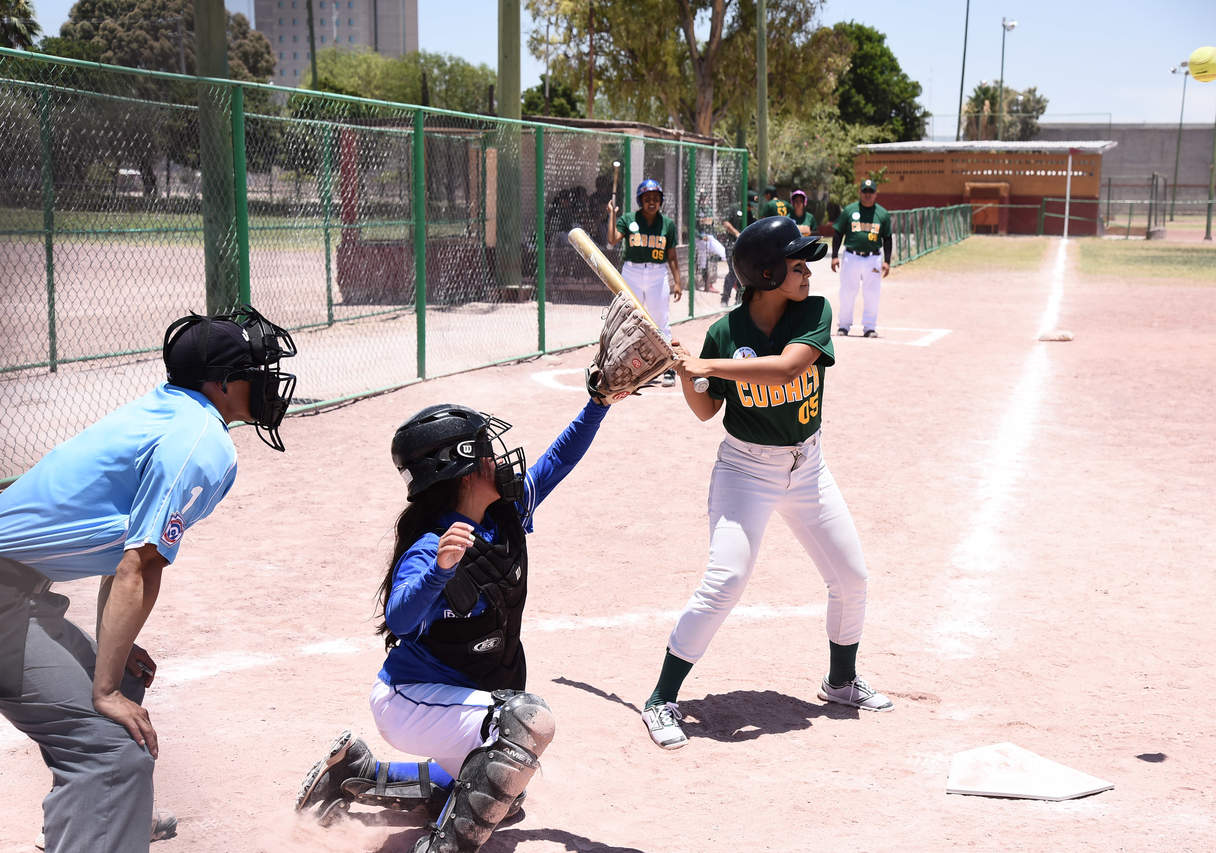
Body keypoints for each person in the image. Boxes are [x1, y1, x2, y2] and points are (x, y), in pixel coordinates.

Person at [0, 306, 297, 853]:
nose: (269, 382)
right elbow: (139, 565)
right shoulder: (200, 441)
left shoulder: (167, 411)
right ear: (223, 383)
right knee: (114, 747)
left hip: (18, 591)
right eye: (258, 371)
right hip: (5, 599)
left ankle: (99, 818)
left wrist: (116, 663)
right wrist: (103, 689)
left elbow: (124, 557)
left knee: (124, 678)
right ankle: (99, 812)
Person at [295, 396, 611, 852]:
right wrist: (441, 569)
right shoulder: (430, 546)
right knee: (525, 724)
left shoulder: (506, 515)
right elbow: (400, 620)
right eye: (487, 451)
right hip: (410, 701)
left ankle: (356, 774)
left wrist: (599, 402)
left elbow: (558, 459)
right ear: (462, 470)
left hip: (454, 703)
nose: (499, 459)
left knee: (504, 791)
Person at [639, 216, 893, 751]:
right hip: (745, 471)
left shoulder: (814, 313)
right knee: (726, 579)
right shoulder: (726, 333)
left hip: (808, 467)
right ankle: (662, 698)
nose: (808, 273)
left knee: (851, 577)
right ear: (766, 272)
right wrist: (689, 376)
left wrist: (705, 362)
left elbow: (784, 369)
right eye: (796, 265)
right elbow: (707, 410)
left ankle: (840, 682)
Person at [606, 178, 683, 386]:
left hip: (658, 274)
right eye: (647, 198)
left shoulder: (667, 224)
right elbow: (612, 239)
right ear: (640, 200)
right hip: (632, 271)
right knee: (630, 319)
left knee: (660, 320)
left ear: (660, 201)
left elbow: (673, 256)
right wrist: (612, 214)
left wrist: (677, 281)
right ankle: (630, 367)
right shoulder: (629, 219)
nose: (652, 202)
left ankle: (668, 368)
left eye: (656, 198)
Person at [831, 178, 893, 338]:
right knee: (847, 292)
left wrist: (887, 261)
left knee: (872, 293)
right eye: (864, 191)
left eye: (870, 192)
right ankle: (844, 326)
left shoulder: (882, 214)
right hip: (851, 256)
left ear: (875, 194)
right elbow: (838, 232)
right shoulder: (850, 211)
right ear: (860, 192)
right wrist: (834, 256)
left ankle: (869, 327)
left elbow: (887, 238)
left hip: (873, 258)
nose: (867, 195)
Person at [720, 193, 758, 308]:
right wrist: (736, 233)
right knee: (733, 271)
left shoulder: (751, 213)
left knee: (744, 271)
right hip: (731, 244)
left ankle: (739, 300)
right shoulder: (734, 208)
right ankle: (725, 298)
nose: (751, 207)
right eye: (749, 205)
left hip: (745, 246)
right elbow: (725, 223)